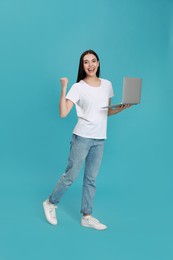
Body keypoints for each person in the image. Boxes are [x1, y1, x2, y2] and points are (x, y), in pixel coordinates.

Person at [43, 49, 130, 230]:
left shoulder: (107, 84)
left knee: (91, 179)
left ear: (98, 63)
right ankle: (50, 203)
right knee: (70, 176)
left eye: (93, 61)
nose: (90, 65)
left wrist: (121, 108)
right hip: (82, 138)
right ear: (82, 66)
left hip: (99, 139)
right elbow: (63, 113)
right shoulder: (78, 87)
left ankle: (87, 216)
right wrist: (63, 88)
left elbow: (105, 111)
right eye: (86, 62)